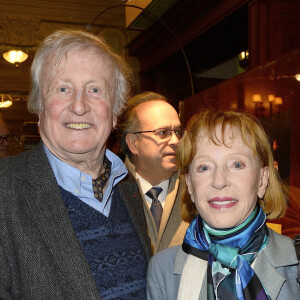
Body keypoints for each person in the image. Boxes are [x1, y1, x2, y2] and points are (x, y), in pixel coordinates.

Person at [0, 30, 151, 299]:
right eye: (63, 89)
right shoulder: (5, 191)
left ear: (115, 112)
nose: (79, 106)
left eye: (95, 90)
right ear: (39, 106)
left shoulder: (129, 189)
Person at [147, 110, 300, 300]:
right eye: (204, 167)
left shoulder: (295, 266)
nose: (219, 181)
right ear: (190, 186)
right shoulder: (162, 271)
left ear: (262, 180)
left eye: (237, 165)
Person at [120, 92, 189, 253]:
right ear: (133, 143)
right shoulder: (111, 192)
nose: (175, 141)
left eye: (178, 132)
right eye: (163, 133)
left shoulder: (197, 190)